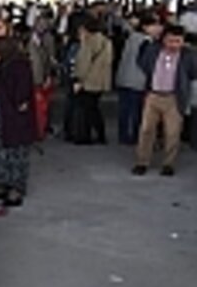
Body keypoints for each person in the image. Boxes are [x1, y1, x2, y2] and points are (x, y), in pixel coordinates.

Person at [134, 24, 197, 176]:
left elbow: (194, 73)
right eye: (171, 41)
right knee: (146, 130)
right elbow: (142, 64)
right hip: (153, 95)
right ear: (164, 40)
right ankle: (142, 161)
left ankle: (168, 164)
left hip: (174, 97)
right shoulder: (153, 51)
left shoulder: (188, 56)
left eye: (178, 41)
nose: (174, 45)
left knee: (172, 132)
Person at [0, 37, 35, 213]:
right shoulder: (18, 65)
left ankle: (2, 189)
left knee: (3, 154)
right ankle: (10, 189)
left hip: (7, 118)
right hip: (9, 119)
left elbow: (21, 98)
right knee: (12, 155)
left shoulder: (14, 67)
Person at [116, 15, 162, 145]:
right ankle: (135, 137)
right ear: (145, 27)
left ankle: (124, 136)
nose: (158, 28)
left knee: (125, 110)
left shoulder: (132, 37)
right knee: (136, 111)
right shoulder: (146, 42)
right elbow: (146, 63)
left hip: (124, 78)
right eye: (155, 25)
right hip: (137, 81)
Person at [72, 17, 113, 144]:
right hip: (101, 80)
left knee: (85, 110)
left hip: (88, 81)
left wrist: (78, 80)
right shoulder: (106, 42)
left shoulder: (89, 42)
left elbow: (83, 63)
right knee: (94, 108)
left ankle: (85, 136)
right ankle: (100, 134)